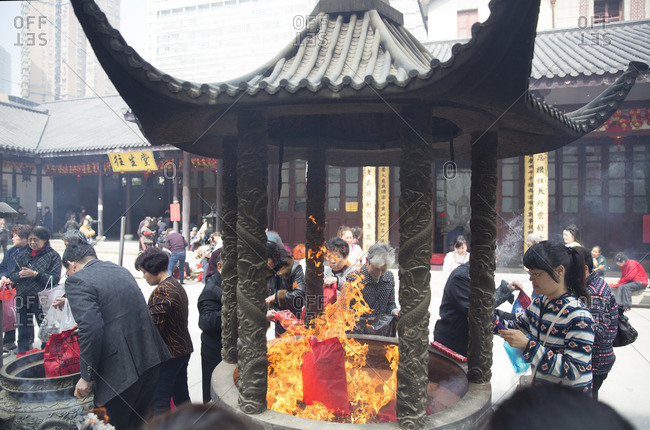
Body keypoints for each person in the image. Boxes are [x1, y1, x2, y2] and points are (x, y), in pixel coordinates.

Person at [62, 242, 170, 430]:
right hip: (149, 357)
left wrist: (87, 377)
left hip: (119, 373)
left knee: (108, 424)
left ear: (72, 265)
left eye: (68, 271)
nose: (69, 275)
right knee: (140, 422)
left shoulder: (76, 280)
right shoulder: (119, 270)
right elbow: (120, 310)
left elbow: (91, 329)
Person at [499, 241, 594, 394]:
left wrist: (528, 345)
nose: (531, 279)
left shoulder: (578, 315)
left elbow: (574, 369)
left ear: (560, 271)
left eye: (536, 274)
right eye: (530, 274)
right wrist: (490, 321)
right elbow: (516, 326)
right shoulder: (539, 303)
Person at [135, 247, 193, 416]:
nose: (144, 277)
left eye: (144, 272)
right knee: (182, 396)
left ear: (153, 270)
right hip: (182, 349)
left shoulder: (162, 291)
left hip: (170, 354)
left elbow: (153, 329)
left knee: (161, 401)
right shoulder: (175, 284)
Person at [433, 262, 521, 357]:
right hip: (452, 340)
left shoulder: (479, 274)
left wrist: (510, 315)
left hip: (469, 341)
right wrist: (505, 292)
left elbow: (485, 304)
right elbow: (479, 309)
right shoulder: (461, 277)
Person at [7, 226, 61, 352]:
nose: (32, 243)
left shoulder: (53, 256)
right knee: (23, 332)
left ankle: (46, 357)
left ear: (45, 240)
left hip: (42, 300)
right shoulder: (22, 255)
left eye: (35, 240)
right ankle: (22, 357)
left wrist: (35, 274)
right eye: (30, 239)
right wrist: (19, 275)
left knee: (45, 332)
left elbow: (54, 280)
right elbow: (12, 275)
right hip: (23, 298)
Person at [488, 384, 633, 430]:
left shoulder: (580, 318)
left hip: (567, 396)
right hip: (543, 395)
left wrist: (529, 345)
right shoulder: (540, 311)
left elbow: (576, 368)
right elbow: (521, 322)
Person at [576, 247, 618, 400]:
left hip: (595, 363)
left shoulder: (594, 292)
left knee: (586, 408)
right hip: (590, 362)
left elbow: (596, 335)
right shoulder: (588, 286)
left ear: (585, 269)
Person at [346, 242, 399, 331]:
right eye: (376, 269)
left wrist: (394, 310)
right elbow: (347, 308)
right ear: (367, 261)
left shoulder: (389, 277)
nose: (379, 274)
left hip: (382, 330)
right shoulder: (354, 277)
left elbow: (391, 303)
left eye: (383, 270)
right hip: (358, 330)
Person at [0, 224, 31, 352]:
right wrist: (3, 277)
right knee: (9, 313)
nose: (12, 239)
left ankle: (27, 340)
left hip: (24, 288)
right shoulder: (10, 251)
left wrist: (13, 279)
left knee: (26, 316)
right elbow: (2, 267)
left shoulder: (30, 252)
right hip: (9, 288)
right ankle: (9, 340)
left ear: (24, 238)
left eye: (15, 236)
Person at [197, 248, 223, 403]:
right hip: (214, 350)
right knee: (213, 397)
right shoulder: (212, 289)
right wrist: (236, 314)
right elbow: (205, 321)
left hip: (228, 349)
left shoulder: (227, 283)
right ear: (219, 266)